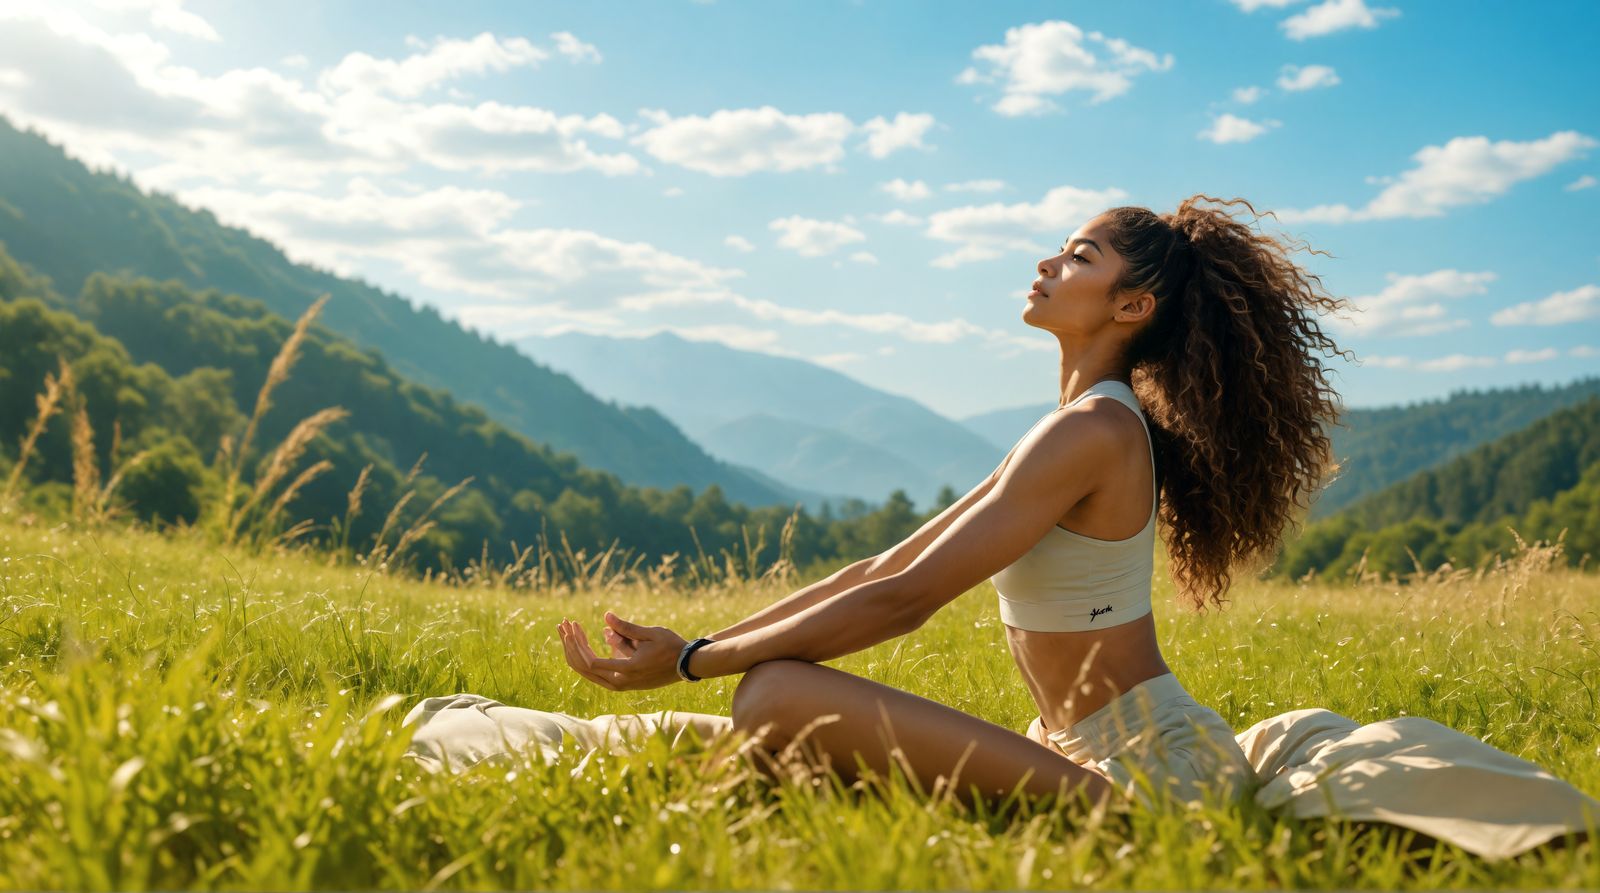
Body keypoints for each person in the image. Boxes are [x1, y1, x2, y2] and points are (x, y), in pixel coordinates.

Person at [404, 194, 1599, 859]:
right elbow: (888, 563)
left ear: (1129, 305)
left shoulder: (1093, 430)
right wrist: (704, 642)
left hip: (1146, 778)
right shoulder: (1077, 423)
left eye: (1078, 253)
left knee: (772, 705)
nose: (1047, 257)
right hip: (1094, 744)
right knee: (764, 718)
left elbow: (901, 604)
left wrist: (703, 660)